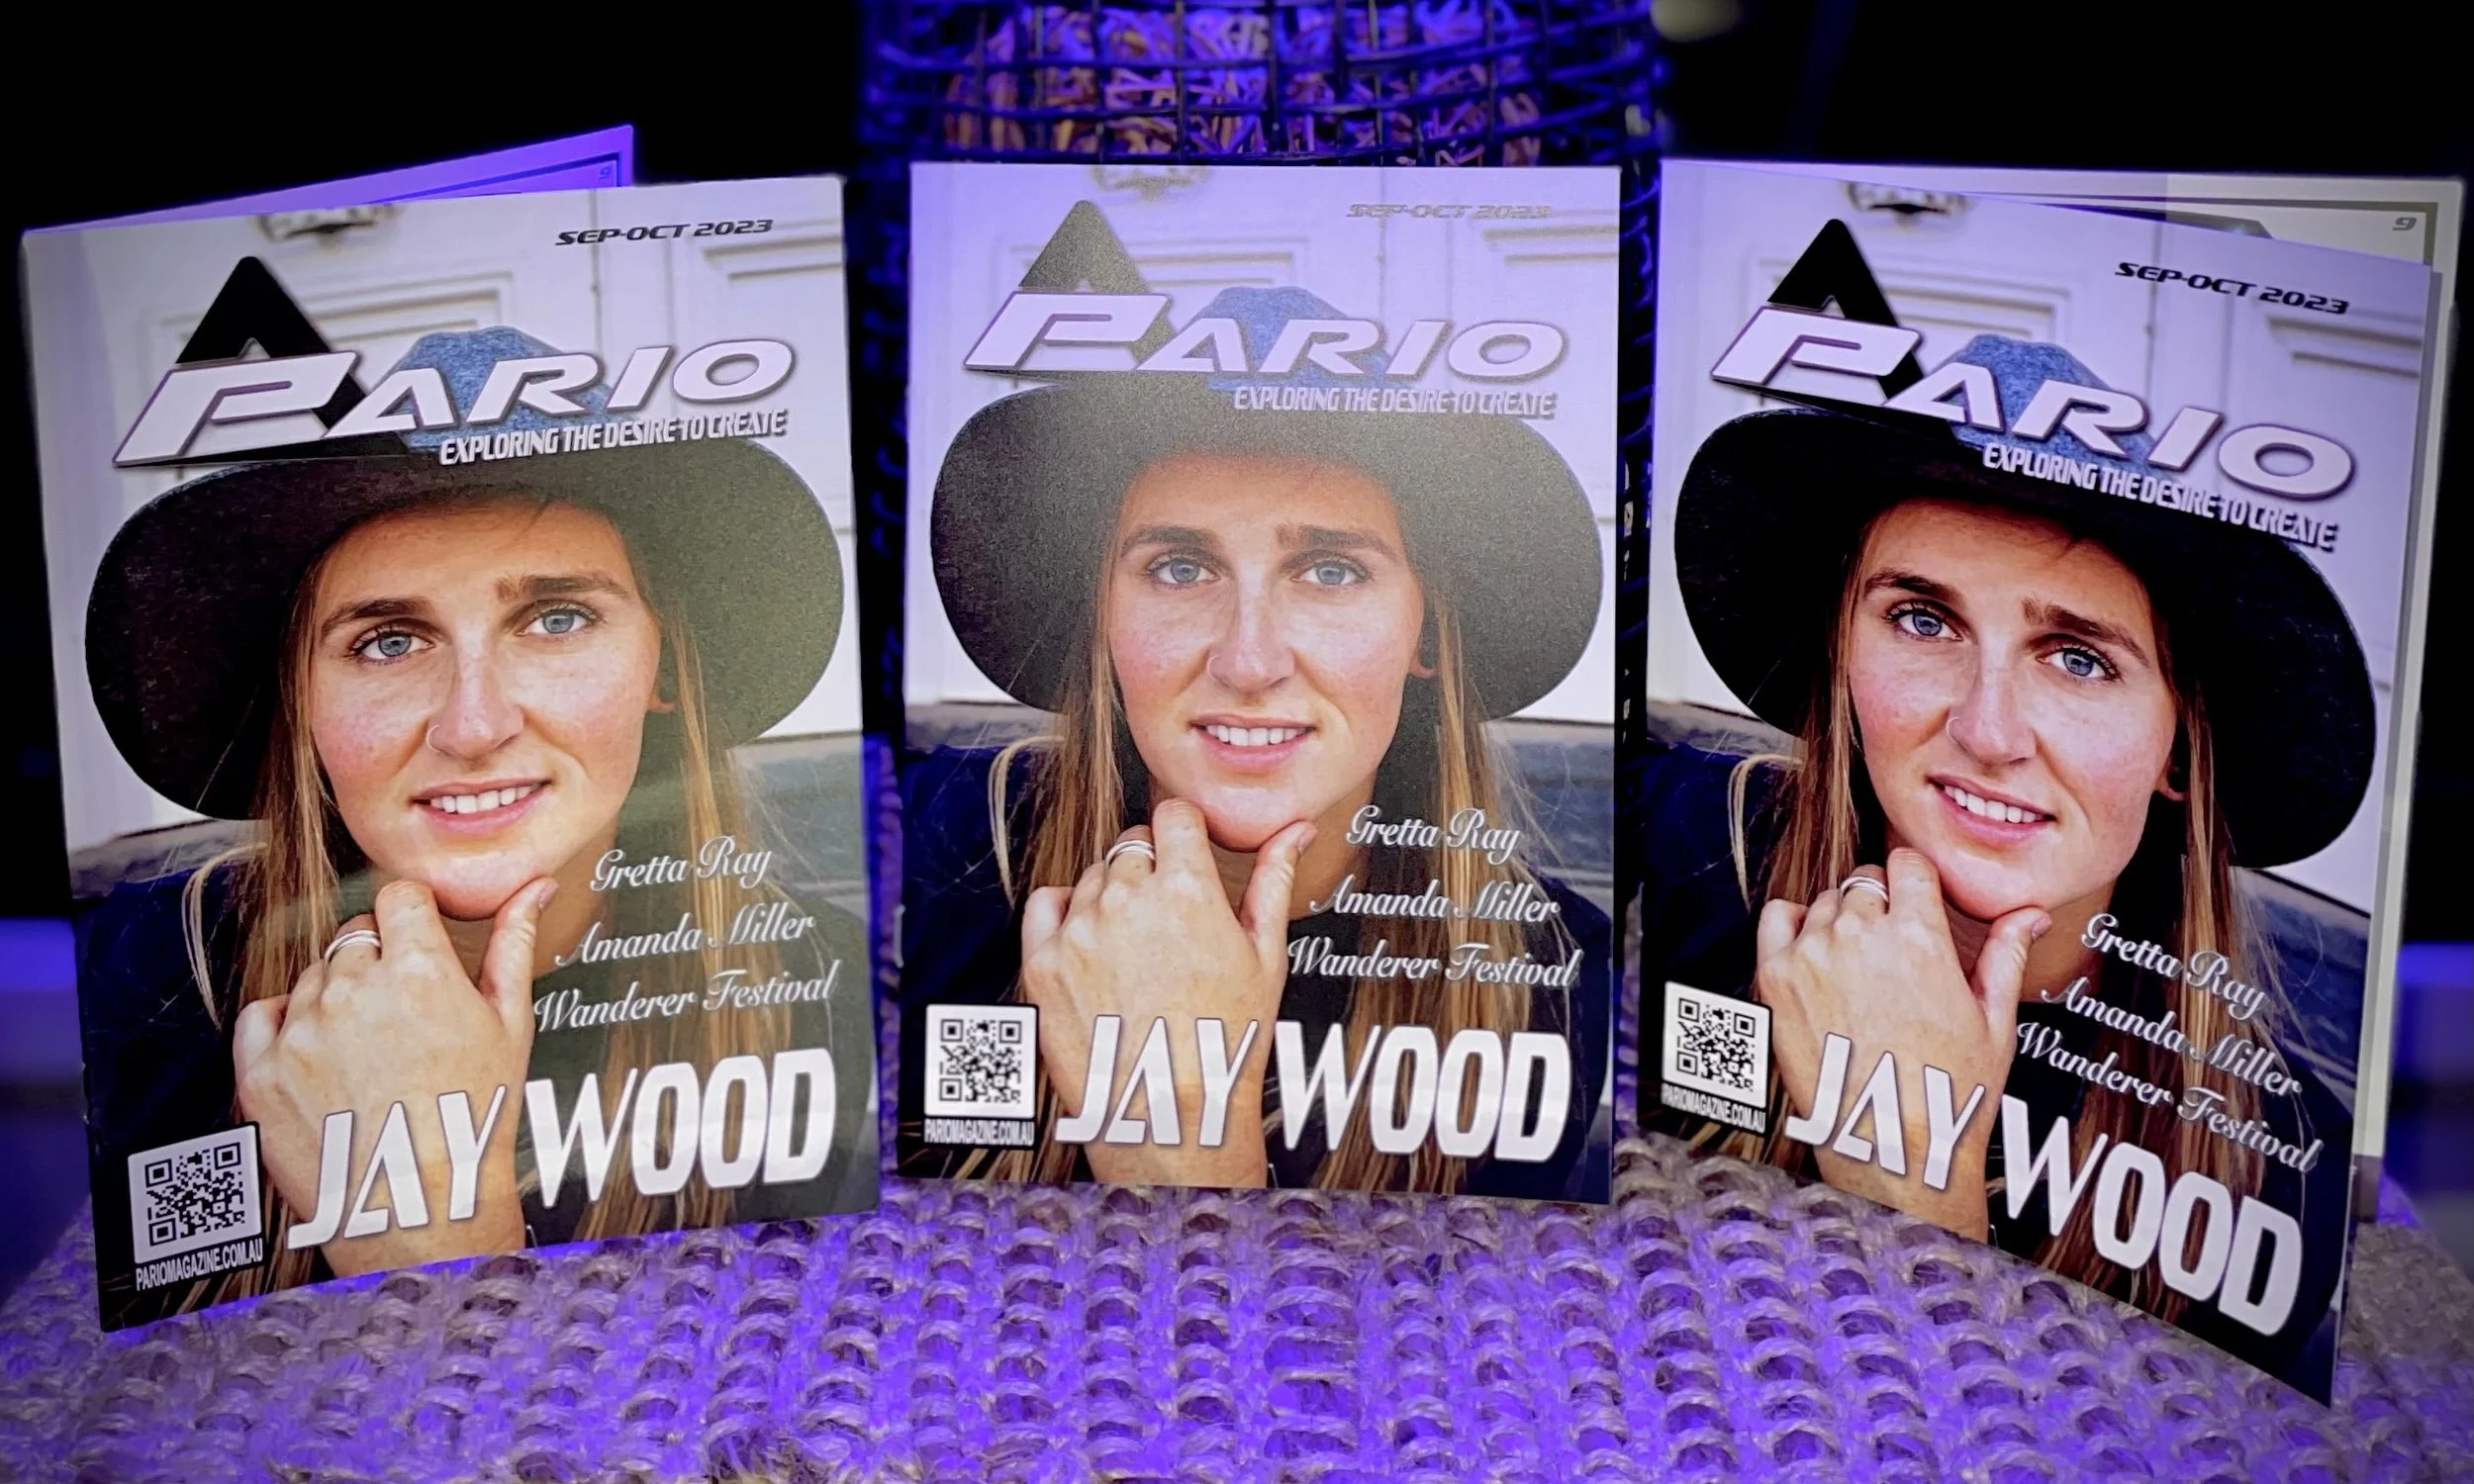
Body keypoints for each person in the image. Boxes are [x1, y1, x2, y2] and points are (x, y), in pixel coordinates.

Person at [76, 327, 870, 1327]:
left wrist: (438, 1253)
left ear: (664, 667)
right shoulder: (145, 988)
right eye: (389, 641)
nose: (473, 724)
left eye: (557, 619)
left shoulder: (817, 990)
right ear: (299, 701)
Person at [1639, 335, 2371, 1380]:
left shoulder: (2271, 1168)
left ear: (2178, 749)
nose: (1988, 732)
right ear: (1841, 655)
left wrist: (1913, 1179)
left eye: (2079, 659)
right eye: (1921, 619)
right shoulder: (1695, 859)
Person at [903, 289, 1611, 1197]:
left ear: (1428, 632)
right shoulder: (946, 848)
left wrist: (1177, 1118)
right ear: (1101, 619)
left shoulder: (1536, 969)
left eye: (1330, 571)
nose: (1247, 661)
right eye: (1179, 568)